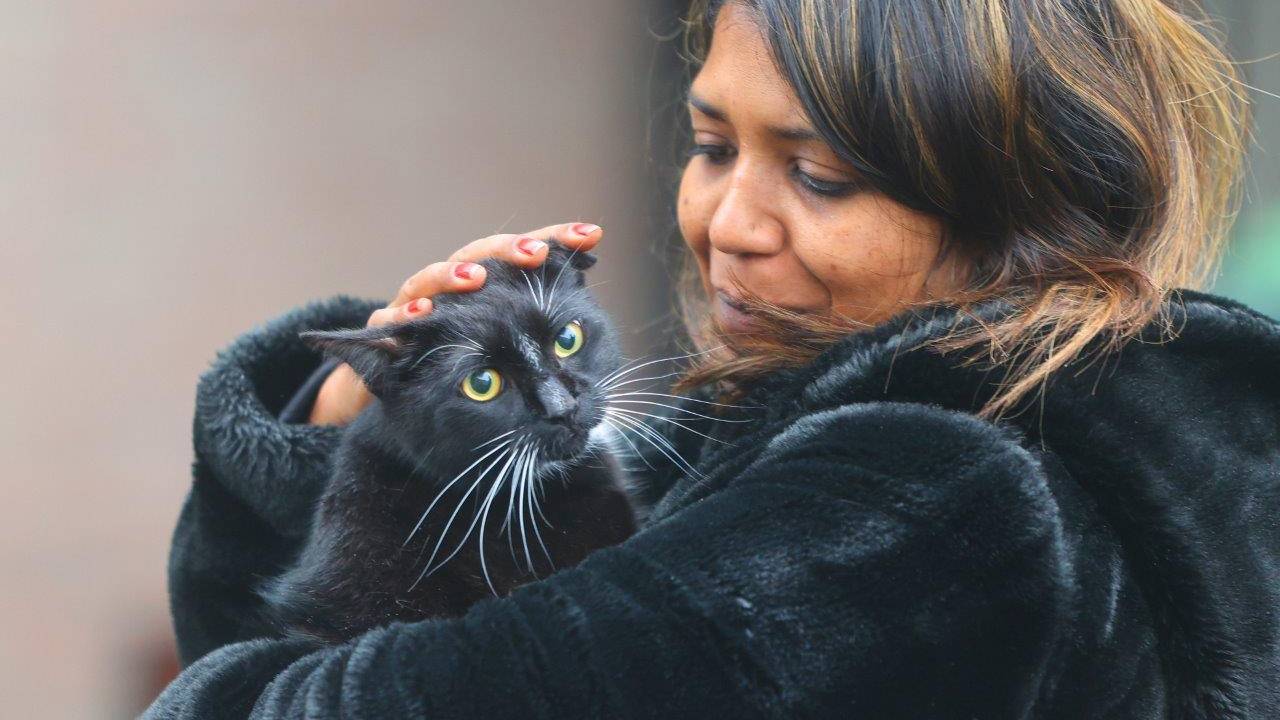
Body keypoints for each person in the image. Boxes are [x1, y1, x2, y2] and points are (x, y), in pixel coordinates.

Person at [147, 1, 1280, 717]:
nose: (725, 222)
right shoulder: (756, 444)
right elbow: (290, 626)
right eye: (710, 145)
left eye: (818, 176)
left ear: (1019, 211)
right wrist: (367, 409)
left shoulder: (925, 501)